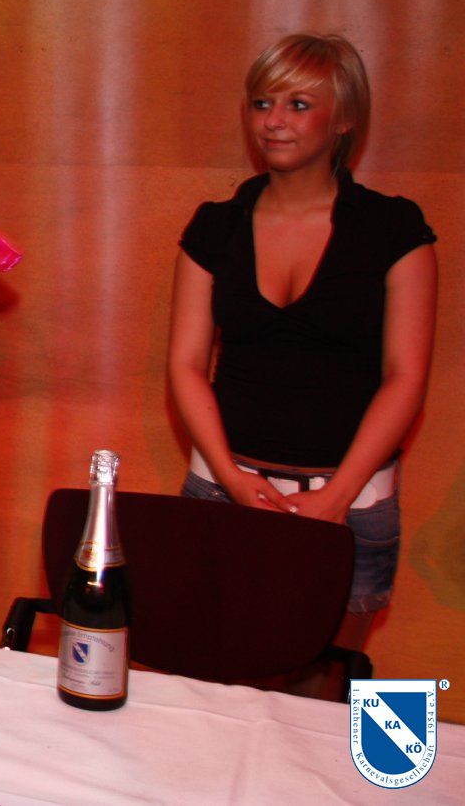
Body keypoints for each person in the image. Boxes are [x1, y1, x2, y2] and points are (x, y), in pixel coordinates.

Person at [168, 33, 437, 651]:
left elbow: (407, 376)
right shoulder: (214, 227)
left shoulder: (394, 229)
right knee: (208, 674)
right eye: (262, 104)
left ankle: (410, 714)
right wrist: (232, 482)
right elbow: (185, 365)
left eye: (298, 104)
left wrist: (338, 497)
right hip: (222, 488)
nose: (274, 121)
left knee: (328, 684)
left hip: (353, 499)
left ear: (345, 119)